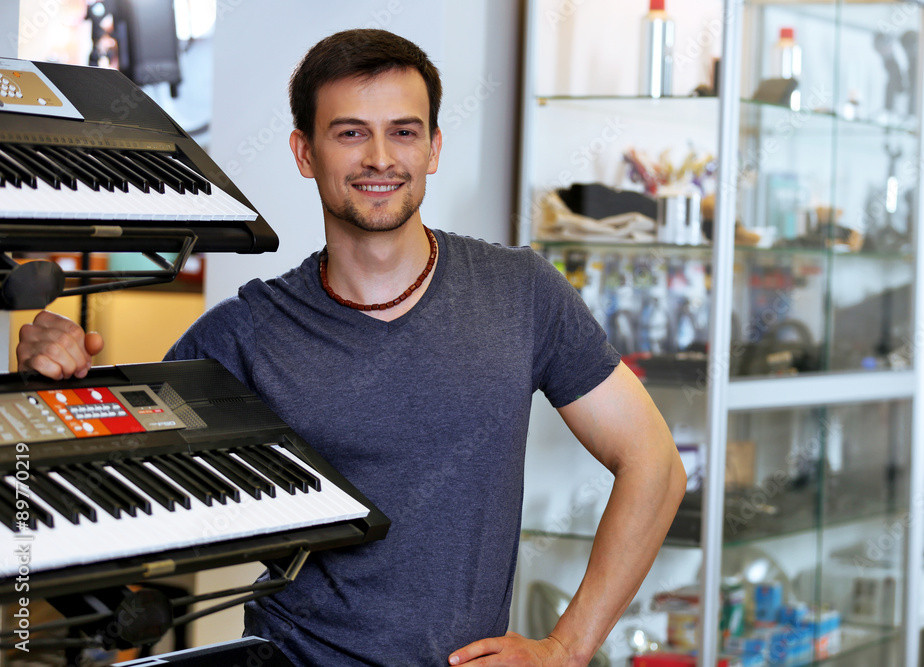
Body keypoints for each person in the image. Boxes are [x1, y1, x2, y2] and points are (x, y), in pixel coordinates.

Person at [16, 29, 686, 666]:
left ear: (433, 147)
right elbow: (105, 455)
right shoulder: (247, 330)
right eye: (349, 134)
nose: (380, 159)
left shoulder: (522, 291)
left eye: (404, 132)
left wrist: (566, 646)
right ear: (304, 153)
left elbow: (653, 462)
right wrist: (60, 372)